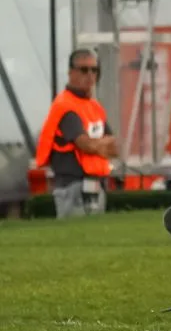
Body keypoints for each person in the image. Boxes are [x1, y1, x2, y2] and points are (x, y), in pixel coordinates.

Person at [35, 49, 118, 219]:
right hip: (72, 186)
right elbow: (85, 144)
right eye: (84, 70)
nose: (90, 75)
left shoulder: (94, 107)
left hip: (96, 184)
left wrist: (96, 145)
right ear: (71, 72)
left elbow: (115, 147)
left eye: (94, 70)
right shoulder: (65, 106)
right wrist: (101, 144)